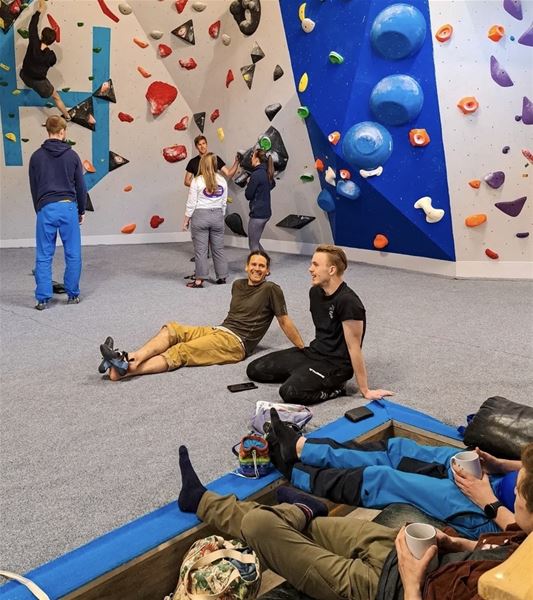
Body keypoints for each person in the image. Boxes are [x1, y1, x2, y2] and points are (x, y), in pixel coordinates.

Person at [177, 440, 533, 600]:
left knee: (261, 527)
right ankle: (303, 508)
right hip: (411, 552)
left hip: (385, 588)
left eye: (519, 493)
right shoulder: (527, 539)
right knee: (316, 526)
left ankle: (204, 501)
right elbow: (510, 544)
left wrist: (410, 584)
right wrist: (458, 542)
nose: (513, 493)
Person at [266, 408, 522, 539]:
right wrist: (500, 464)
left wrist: (488, 500)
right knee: (401, 451)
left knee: (386, 479)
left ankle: (297, 472)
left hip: (494, 517)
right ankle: (302, 448)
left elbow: (524, 541)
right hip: (496, 482)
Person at [99, 250, 305, 380]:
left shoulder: (271, 289)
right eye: (254, 264)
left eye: (262, 266)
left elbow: (284, 321)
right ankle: (129, 358)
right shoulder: (238, 284)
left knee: (181, 351)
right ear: (247, 266)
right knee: (172, 329)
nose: (257, 269)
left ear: (267, 271)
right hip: (219, 330)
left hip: (235, 343)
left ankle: (128, 368)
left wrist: (303, 349)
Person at [246, 244, 393, 404]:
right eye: (311, 264)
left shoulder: (349, 302)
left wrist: (364, 390)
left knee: (289, 392)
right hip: (314, 353)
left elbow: (354, 347)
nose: (310, 269)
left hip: (336, 365)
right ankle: (303, 375)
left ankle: (336, 388)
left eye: (315, 265)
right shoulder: (315, 292)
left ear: (331, 270)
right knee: (255, 369)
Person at [29, 115, 87, 310]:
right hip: (68, 207)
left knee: (44, 254)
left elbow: (34, 186)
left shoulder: (36, 156)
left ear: (48, 131)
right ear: (63, 132)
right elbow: (80, 185)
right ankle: (72, 295)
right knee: (73, 253)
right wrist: (81, 210)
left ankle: (43, 298)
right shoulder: (72, 156)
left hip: (46, 208)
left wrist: (39, 208)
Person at [182, 153, 228, 288]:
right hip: (218, 216)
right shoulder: (222, 181)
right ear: (215, 165)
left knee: (200, 250)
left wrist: (186, 220)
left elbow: (191, 203)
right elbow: (224, 203)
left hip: (200, 217)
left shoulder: (197, 181)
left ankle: (199, 280)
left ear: (202, 164)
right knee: (218, 248)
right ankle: (222, 276)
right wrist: (220, 216)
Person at [19, 0, 70, 120]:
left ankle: (29, 84)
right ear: (52, 42)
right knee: (56, 97)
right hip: (40, 84)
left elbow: (33, 25)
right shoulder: (51, 56)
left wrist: (39, 10)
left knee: (29, 80)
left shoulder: (33, 42)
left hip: (24, 75)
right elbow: (51, 63)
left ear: (41, 36)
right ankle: (67, 116)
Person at [245, 149, 275, 252]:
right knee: (256, 241)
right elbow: (272, 185)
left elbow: (248, 195)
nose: (251, 159)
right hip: (266, 213)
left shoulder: (256, 174)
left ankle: (258, 267)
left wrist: (249, 183)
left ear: (257, 159)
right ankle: (265, 261)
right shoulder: (267, 172)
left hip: (257, 214)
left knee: (253, 244)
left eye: (252, 156)